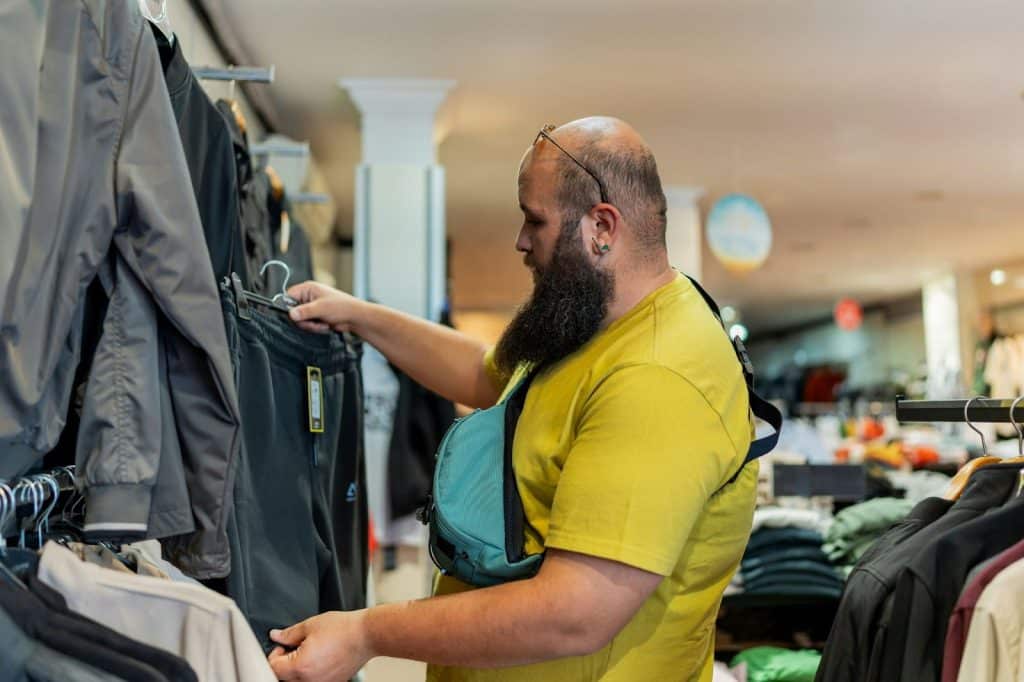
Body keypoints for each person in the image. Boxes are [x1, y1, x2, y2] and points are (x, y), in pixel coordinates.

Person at [268, 117, 758, 682]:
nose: (521, 240)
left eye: (535, 220)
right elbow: (489, 375)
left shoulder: (659, 376)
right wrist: (357, 315)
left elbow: (574, 613)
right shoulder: (598, 322)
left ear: (601, 226)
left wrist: (366, 633)